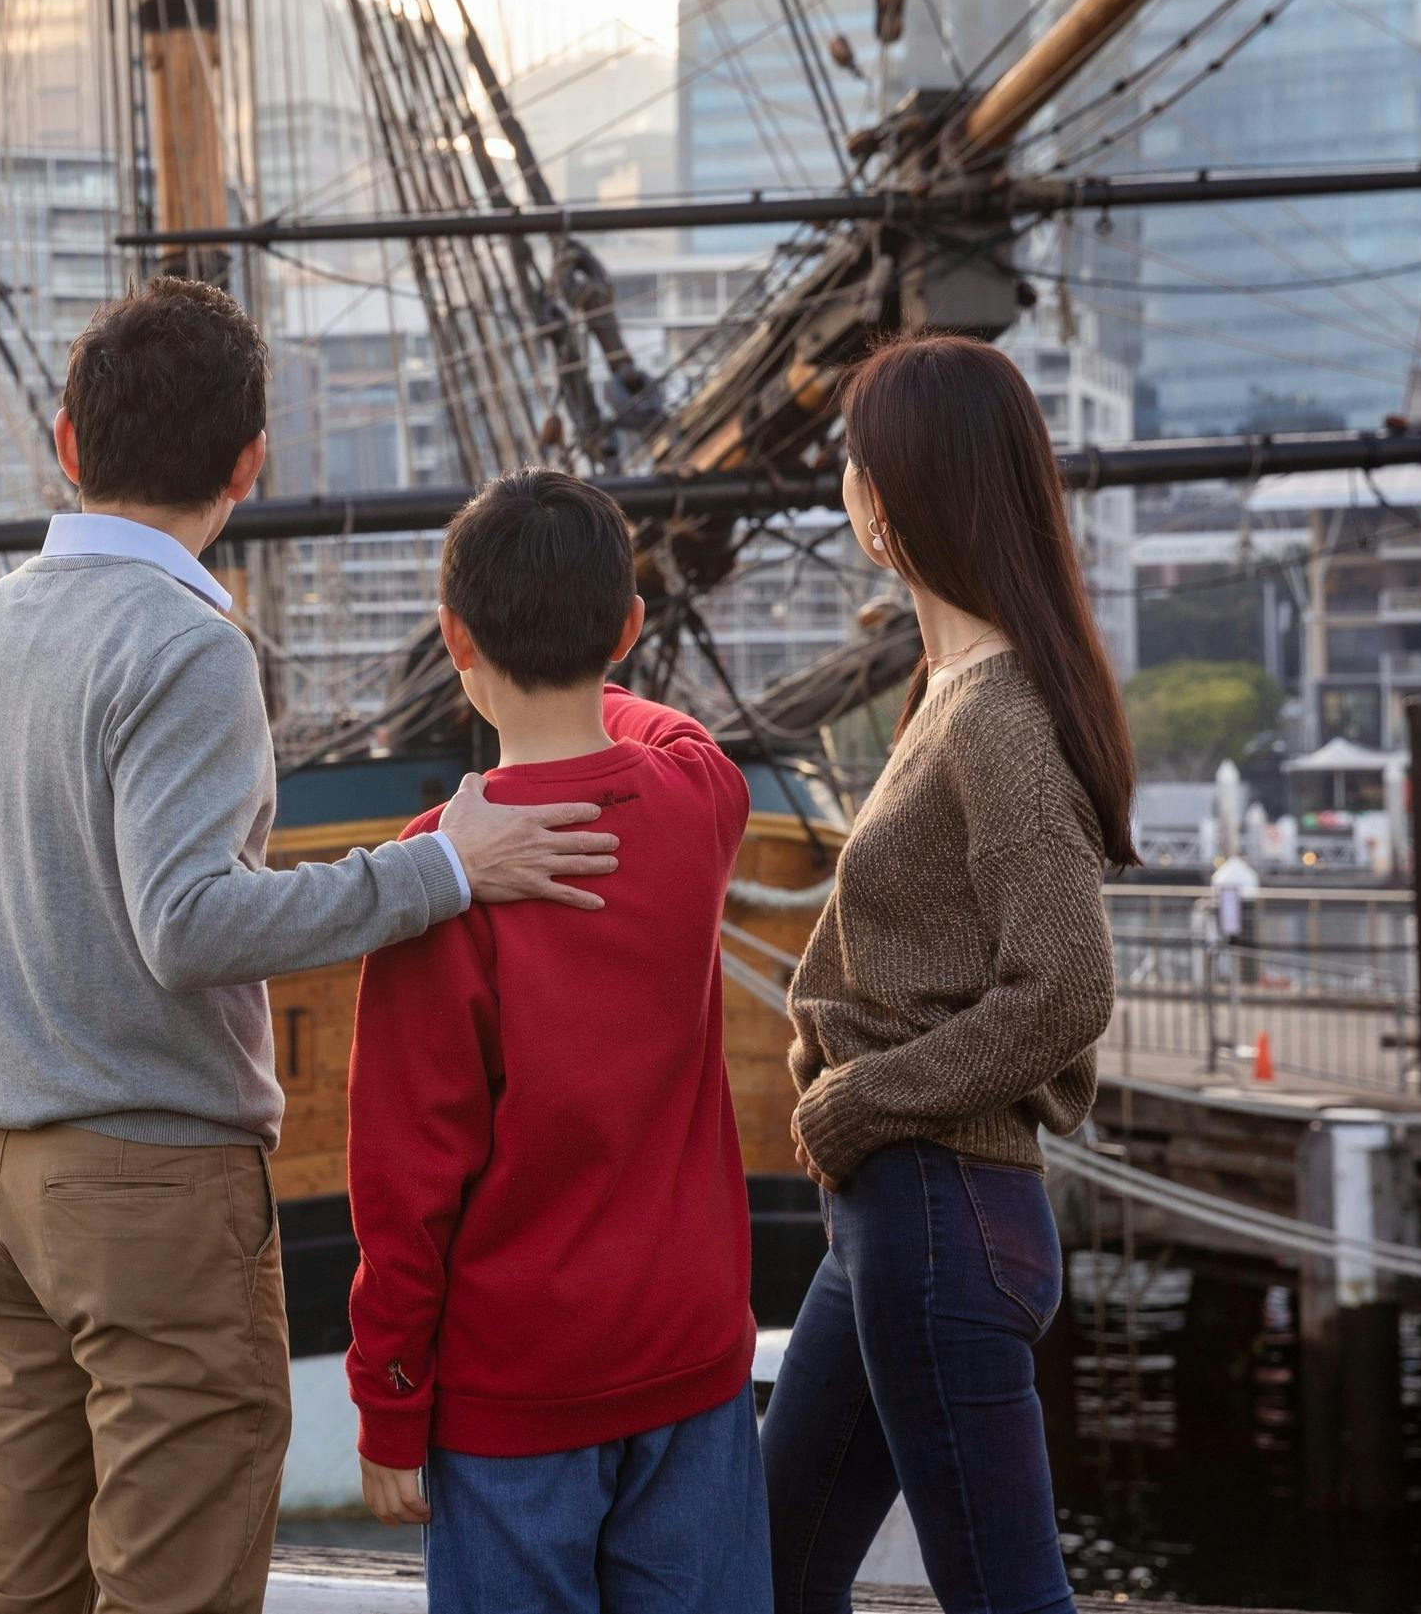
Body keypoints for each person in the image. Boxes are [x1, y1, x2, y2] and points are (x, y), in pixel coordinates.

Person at [0, 277, 626, 1614]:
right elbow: (190, 924)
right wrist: (441, 868)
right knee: (176, 1588)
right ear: (251, 462)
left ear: (68, 442)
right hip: (146, 1189)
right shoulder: (186, 646)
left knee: (29, 1589)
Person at [344, 469, 766, 1614]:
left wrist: (389, 1400)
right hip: (691, 1370)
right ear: (629, 629)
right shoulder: (700, 801)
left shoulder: (445, 870)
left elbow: (405, 1179)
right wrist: (598, 702)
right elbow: (666, 729)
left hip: (513, 1401)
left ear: (454, 640)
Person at [761, 334, 1132, 1614]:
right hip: (895, 1221)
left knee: (1004, 1595)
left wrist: (864, 1096)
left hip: (939, 1205)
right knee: (772, 1568)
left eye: (856, 461)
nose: (845, 486)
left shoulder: (998, 716)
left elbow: (1065, 988)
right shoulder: (953, 692)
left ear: (902, 491)